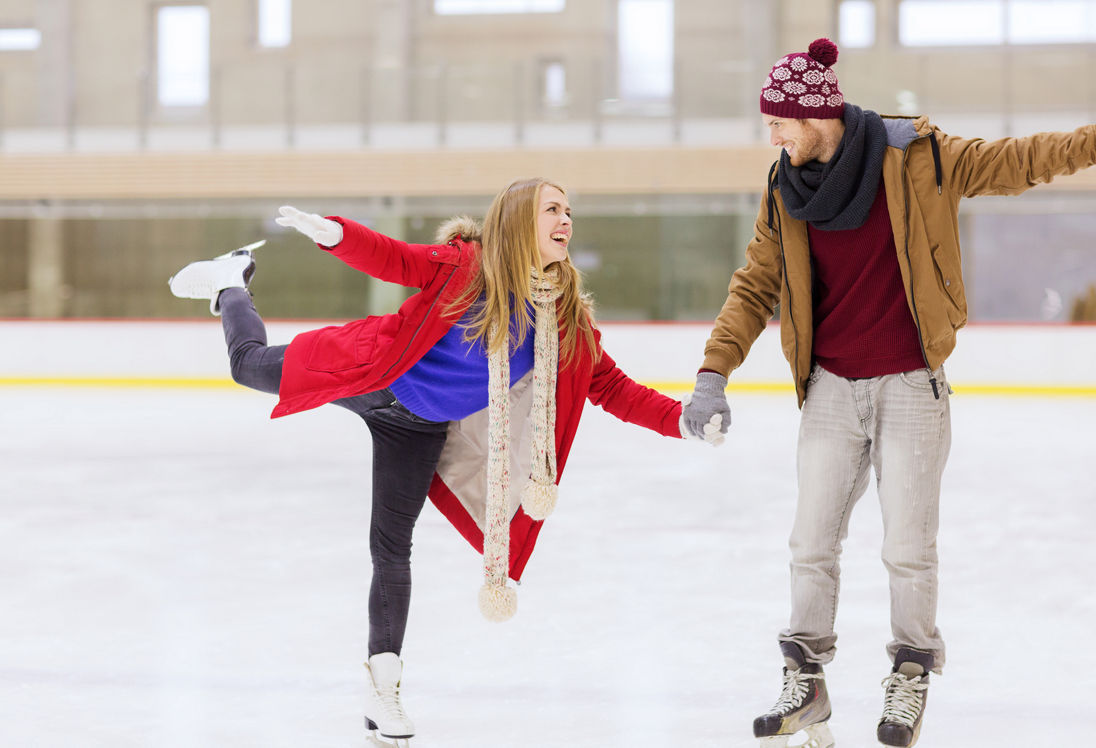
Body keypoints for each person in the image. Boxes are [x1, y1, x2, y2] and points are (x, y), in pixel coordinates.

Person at [680, 38, 1096, 748]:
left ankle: (910, 673)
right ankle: (808, 680)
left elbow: (1020, 160)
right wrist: (713, 373)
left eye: (779, 122)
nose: (770, 135)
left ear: (818, 115)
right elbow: (754, 286)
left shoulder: (917, 156)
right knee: (810, 542)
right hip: (831, 387)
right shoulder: (784, 187)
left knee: (907, 547)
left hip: (909, 385)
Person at [167, 177, 723, 747]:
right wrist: (335, 234)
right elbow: (395, 260)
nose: (566, 220)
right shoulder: (464, 267)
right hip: (371, 372)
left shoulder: (564, 322)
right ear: (516, 221)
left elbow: (615, 389)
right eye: (552, 209)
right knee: (248, 366)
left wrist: (681, 419)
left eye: (569, 211)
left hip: (416, 427)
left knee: (390, 545)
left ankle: (383, 689)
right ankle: (232, 282)